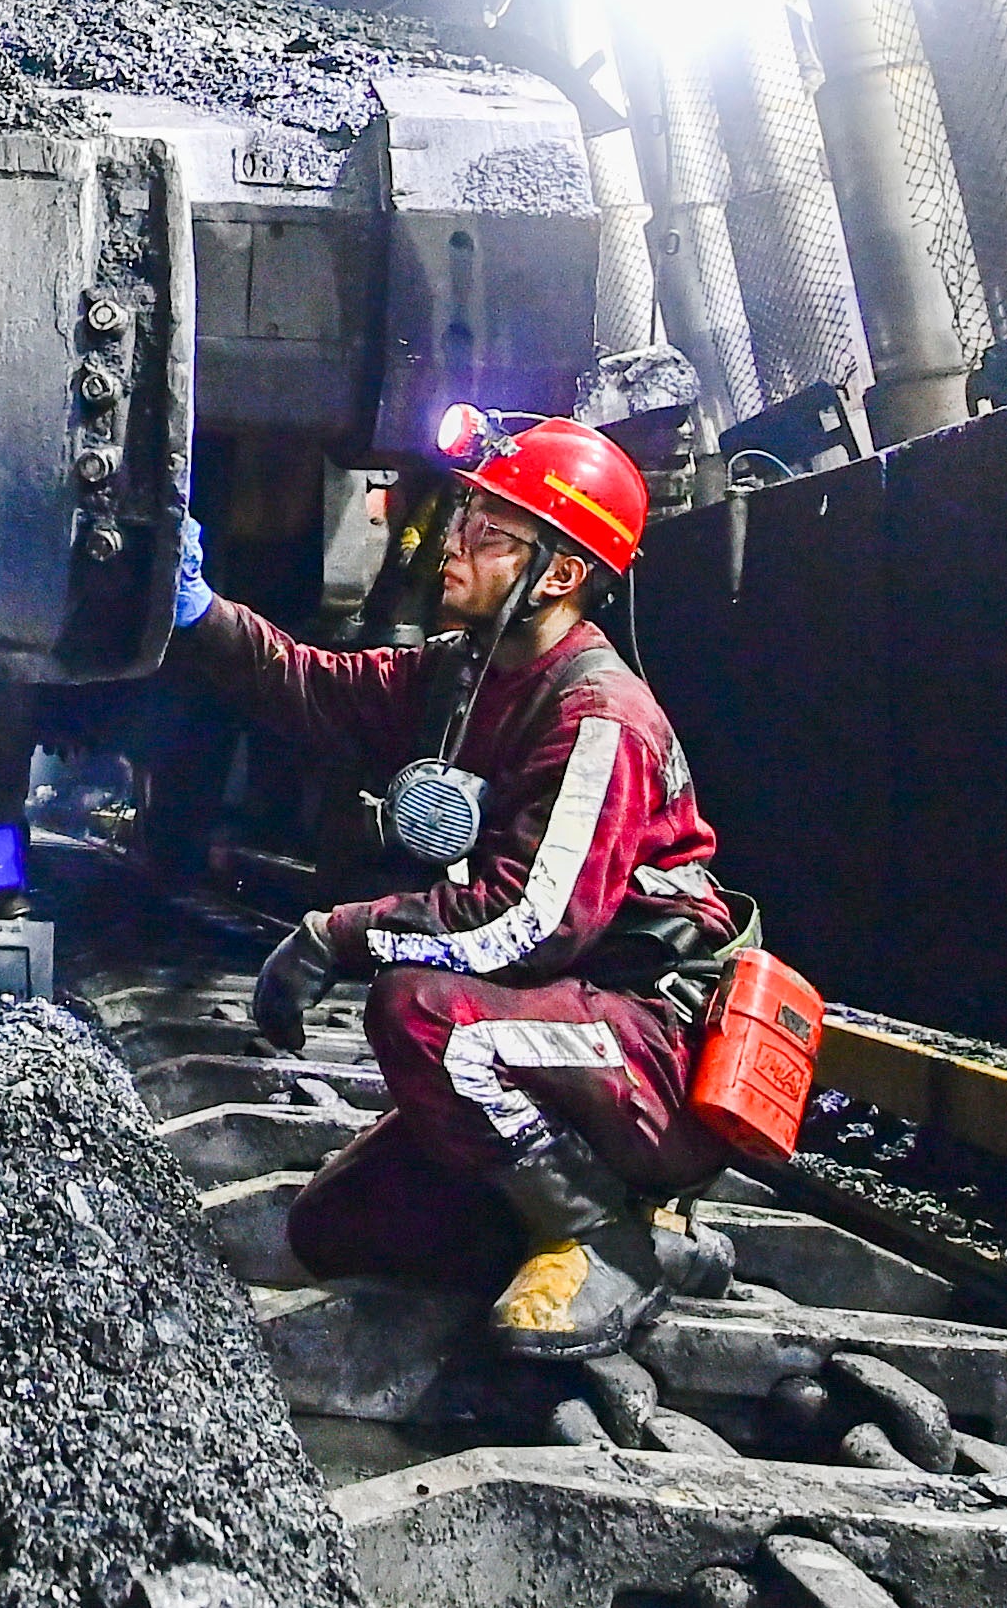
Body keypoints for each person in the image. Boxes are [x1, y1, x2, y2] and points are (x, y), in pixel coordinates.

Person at [167, 411, 747, 1359]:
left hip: (646, 1043)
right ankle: (641, 1233)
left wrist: (334, 936)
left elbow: (531, 923)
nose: (451, 543)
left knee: (422, 1015)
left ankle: (608, 1235)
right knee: (339, 1229)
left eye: (487, 531)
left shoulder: (597, 718)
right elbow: (318, 686)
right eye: (463, 515)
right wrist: (201, 610)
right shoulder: (470, 675)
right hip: (565, 1023)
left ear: (558, 573)